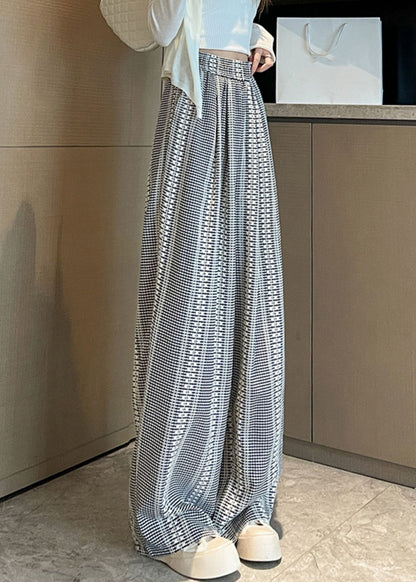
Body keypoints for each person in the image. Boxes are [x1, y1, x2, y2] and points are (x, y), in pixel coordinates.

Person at [128, 0, 285, 578]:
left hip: (243, 99)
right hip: (193, 100)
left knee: (254, 296)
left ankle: (246, 498)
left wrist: (257, 33)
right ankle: (171, 512)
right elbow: (158, 25)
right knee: (191, 301)